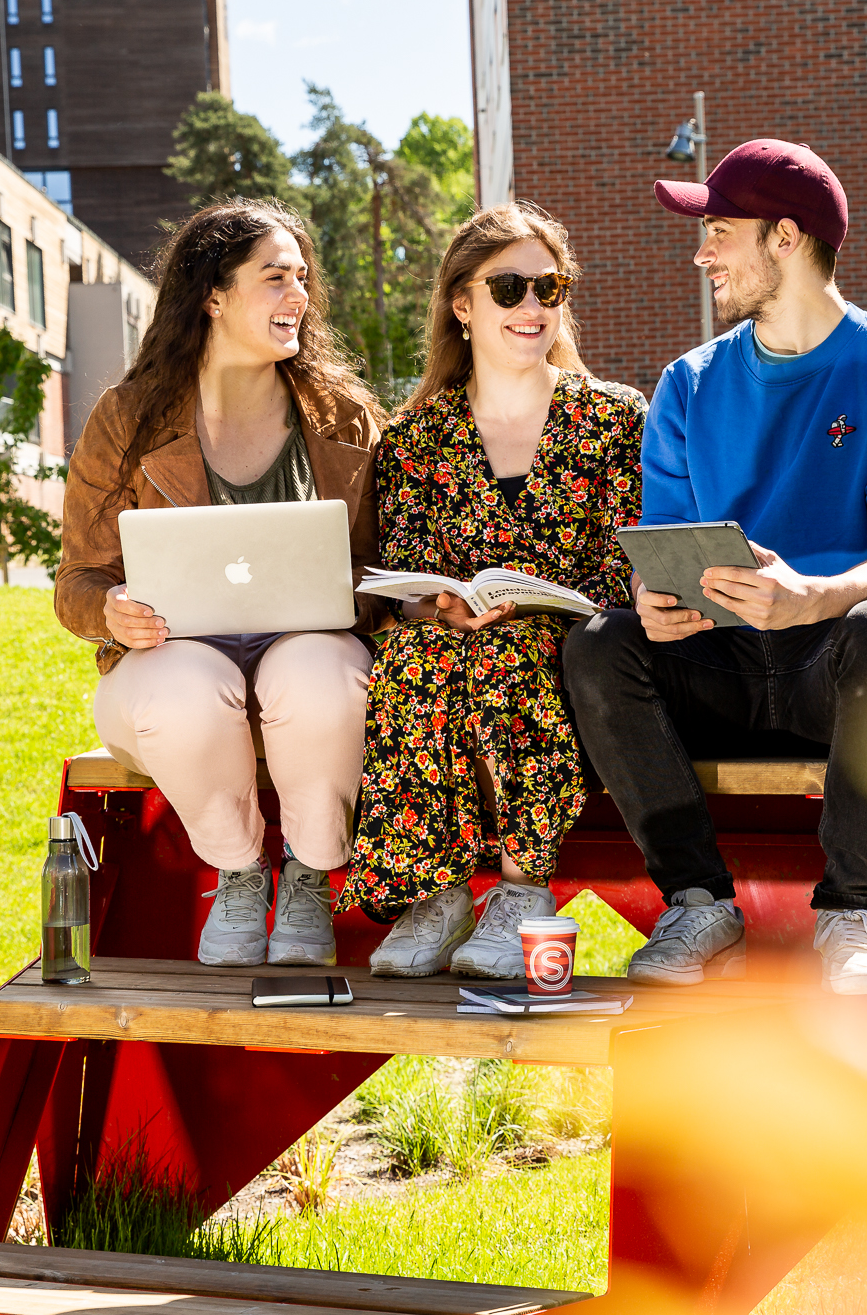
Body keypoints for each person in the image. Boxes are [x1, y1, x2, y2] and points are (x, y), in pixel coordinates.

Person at [563, 140, 867, 994]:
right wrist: (652, 597)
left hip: (831, 669)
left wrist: (814, 594)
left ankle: (852, 913)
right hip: (715, 663)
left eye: (720, 232)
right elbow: (662, 534)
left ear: (786, 238)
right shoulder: (689, 384)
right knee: (600, 642)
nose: (702, 252)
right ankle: (697, 902)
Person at [54, 198, 385, 969]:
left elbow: (384, 564)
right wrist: (109, 609)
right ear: (213, 294)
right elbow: (78, 578)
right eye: (275, 278)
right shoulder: (127, 418)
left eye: (302, 277)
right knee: (184, 689)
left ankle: (308, 874)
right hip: (167, 662)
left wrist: (349, 590)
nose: (298, 294)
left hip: (311, 651)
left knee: (321, 673)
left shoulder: (344, 416)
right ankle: (239, 873)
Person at [340, 203, 645, 978]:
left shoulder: (613, 419)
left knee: (510, 648)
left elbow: (625, 561)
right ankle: (436, 892)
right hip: (453, 639)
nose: (533, 306)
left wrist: (545, 601)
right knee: (412, 649)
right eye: (508, 288)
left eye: (550, 286)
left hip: (575, 648)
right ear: (462, 304)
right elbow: (403, 565)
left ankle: (520, 887)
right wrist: (435, 603)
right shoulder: (416, 436)